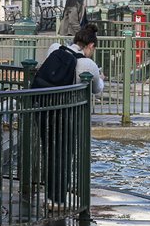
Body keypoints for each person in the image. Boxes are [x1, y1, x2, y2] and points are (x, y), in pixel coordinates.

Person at [35, 23, 105, 206]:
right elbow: (97, 89)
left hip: (43, 109)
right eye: (93, 49)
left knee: (48, 151)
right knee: (64, 156)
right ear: (90, 46)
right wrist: (101, 77)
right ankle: (58, 200)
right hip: (65, 114)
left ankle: (49, 195)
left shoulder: (55, 49)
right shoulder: (87, 64)